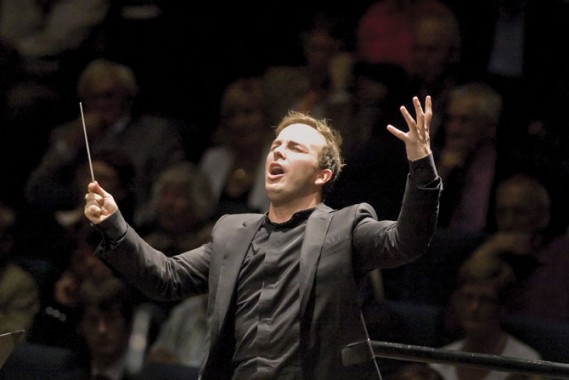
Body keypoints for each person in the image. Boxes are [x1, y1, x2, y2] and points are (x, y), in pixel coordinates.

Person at [84, 95, 442, 379]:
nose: (279, 150)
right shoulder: (231, 233)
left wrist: (421, 163)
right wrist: (115, 223)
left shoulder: (346, 227)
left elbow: (405, 242)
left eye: (296, 148)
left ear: (322, 175)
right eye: (277, 145)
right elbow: (166, 278)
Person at [25, 58, 187, 227]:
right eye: (93, 97)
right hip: (77, 228)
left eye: (108, 96)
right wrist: (69, 145)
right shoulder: (68, 134)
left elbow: (169, 191)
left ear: (127, 96)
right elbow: (35, 190)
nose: (101, 104)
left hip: (137, 226)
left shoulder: (156, 134)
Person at [429, 254, 543, 380]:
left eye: (485, 300)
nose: (474, 307)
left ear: (502, 308)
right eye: (468, 297)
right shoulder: (439, 362)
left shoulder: (526, 363)